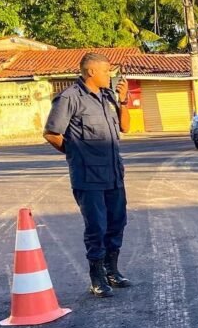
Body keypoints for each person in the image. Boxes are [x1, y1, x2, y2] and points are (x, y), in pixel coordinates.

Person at [43, 53, 132, 298]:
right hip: (88, 177)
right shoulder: (69, 98)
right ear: (91, 72)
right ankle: (97, 277)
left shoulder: (107, 96)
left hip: (113, 174)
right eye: (106, 71)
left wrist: (123, 101)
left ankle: (112, 271)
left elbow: (125, 127)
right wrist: (76, 154)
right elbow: (51, 133)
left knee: (117, 223)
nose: (109, 75)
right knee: (96, 227)